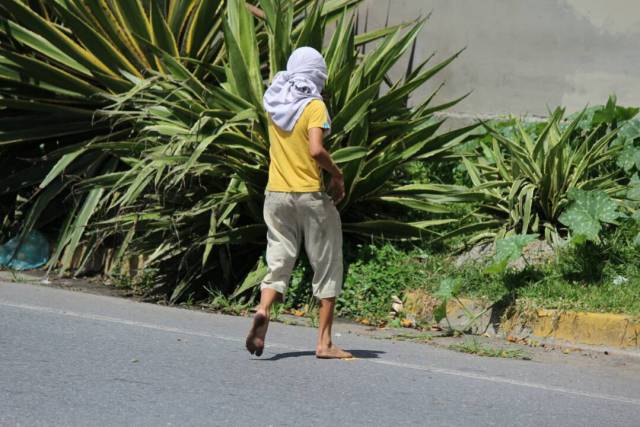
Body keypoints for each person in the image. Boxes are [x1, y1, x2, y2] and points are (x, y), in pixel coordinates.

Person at [245, 47, 352, 359]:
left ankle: (263, 308)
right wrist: (338, 175)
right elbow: (316, 150)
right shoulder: (314, 105)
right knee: (327, 263)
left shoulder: (275, 102)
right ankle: (325, 342)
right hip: (309, 195)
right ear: (317, 73)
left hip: (276, 194)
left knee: (278, 259)